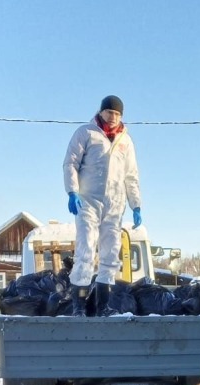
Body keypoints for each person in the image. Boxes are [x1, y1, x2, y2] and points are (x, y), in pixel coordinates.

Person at [63, 95, 142, 317]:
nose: (113, 117)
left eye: (117, 114)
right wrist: (72, 191)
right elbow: (70, 162)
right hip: (88, 200)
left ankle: (103, 306)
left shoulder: (126, 141)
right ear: (101, 112)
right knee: (86, 248)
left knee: (110, 253)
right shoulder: (86, 133)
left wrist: (136, 204)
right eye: (110, 112)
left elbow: (131, 176)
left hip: (115, 204)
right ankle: (78, 307)